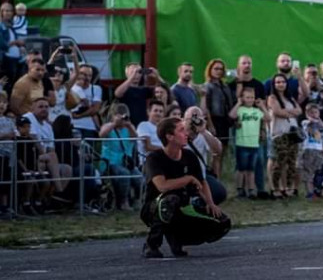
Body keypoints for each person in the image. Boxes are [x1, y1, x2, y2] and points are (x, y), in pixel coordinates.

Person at [141, 117, 230, 258]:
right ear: (169, 136)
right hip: (155, 207)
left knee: (222, 222)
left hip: (182, 206)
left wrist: (209, 203)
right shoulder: (154, 158)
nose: (186, 133)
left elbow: (202, 182)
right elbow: (162, 186)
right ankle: (152, 244)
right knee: (169, 201)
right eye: (181, 130)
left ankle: (177, 238)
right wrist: (187, 179)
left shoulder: (189, 156)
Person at [98, 103, 141, 210]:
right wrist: (114, 123)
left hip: (126, 163)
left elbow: (135, 137)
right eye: (119, 115)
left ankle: (136, 200)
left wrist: (129, 125)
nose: (122, 118)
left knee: (139, 176)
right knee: (124, 174)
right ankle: (123, 202)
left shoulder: (129, 128)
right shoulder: (108, 127)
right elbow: (101, 134)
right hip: (110, 163)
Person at [267, 73, 302, 198]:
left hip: (292, 133)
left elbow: (299, 110)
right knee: (279, 162)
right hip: (279, 134)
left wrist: (288, 112)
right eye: (278, 82)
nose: (280, 84)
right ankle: (275, 188)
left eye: (283, 82)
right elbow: (277, 112)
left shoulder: (290, 98)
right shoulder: (272, 98)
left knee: (291, 162)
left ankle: (288, 187)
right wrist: (290, 113)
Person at [183, 106, 226, 204]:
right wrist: (187, 131)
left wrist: (203, 131)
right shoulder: (178, 132)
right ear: (184, 119)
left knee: (220, 193)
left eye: (198, 118)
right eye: (191, 118)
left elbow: (218, 150)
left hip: (201, 177)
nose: (194, 121)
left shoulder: (204, 134)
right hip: (182, 177)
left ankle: (199, 202)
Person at [228, 86, 265, 199]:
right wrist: (238, 103)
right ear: (243, 98)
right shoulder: (240, 110)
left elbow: (268, 118)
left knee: (251, 169)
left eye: (252, 97)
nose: (250, 100)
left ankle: (251, 190)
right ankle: (240, 190)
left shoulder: (257, 111)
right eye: (247, 97)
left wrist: (262, 106)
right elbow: (232, 115)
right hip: (242, 143)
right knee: (241, 169)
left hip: (254, 144)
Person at [200, 58, 233, 177]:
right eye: (216, 68)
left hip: (225, 121)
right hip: (214, 120)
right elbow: (206, 108)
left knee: (222, 152)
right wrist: (210, 125)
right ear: (210, 70)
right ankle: (214, 178)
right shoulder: (207, 86)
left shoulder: (225, 86)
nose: (218, 71)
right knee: (215, 153)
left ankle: (218, 176)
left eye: (221, 69)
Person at [298, 103, 323, 199]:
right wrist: (312, 119)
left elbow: (322, 125)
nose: (314, 114)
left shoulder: (319, 123)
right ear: (306, 114)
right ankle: (310, 192)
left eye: (316, 112)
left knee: (317, 171)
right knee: (308, 172)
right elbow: (309, 123)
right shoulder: (305, 122)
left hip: (318, 149)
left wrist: (318, 118)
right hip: (309, 149)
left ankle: (316, 190)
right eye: (311, 113)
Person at [69, 65, 103, 140]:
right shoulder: (70, 88)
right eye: (83, 74)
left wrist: (79, 116)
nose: (86, 78)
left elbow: (95, 109)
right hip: (74, 125)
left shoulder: (96, 89)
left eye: (89, 75)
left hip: (89, 127)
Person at [1, 3, 27, 92]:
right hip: (6, 59)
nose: (9, 13)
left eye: (11, 11)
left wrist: (20, 46)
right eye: (6, 11)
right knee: (6, 84)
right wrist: (15, 42)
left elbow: (16, 39)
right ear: (2, 12)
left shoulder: (11, 26)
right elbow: (2, 44)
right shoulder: (1, 26)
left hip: (16, 59)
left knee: (15, 84)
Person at [0, 90, 15, 216]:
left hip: (9, 155)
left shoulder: (9, 120)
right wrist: (5, 136)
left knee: (6, 179)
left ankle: (5, 205)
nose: (1, 105)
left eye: (4, 102)